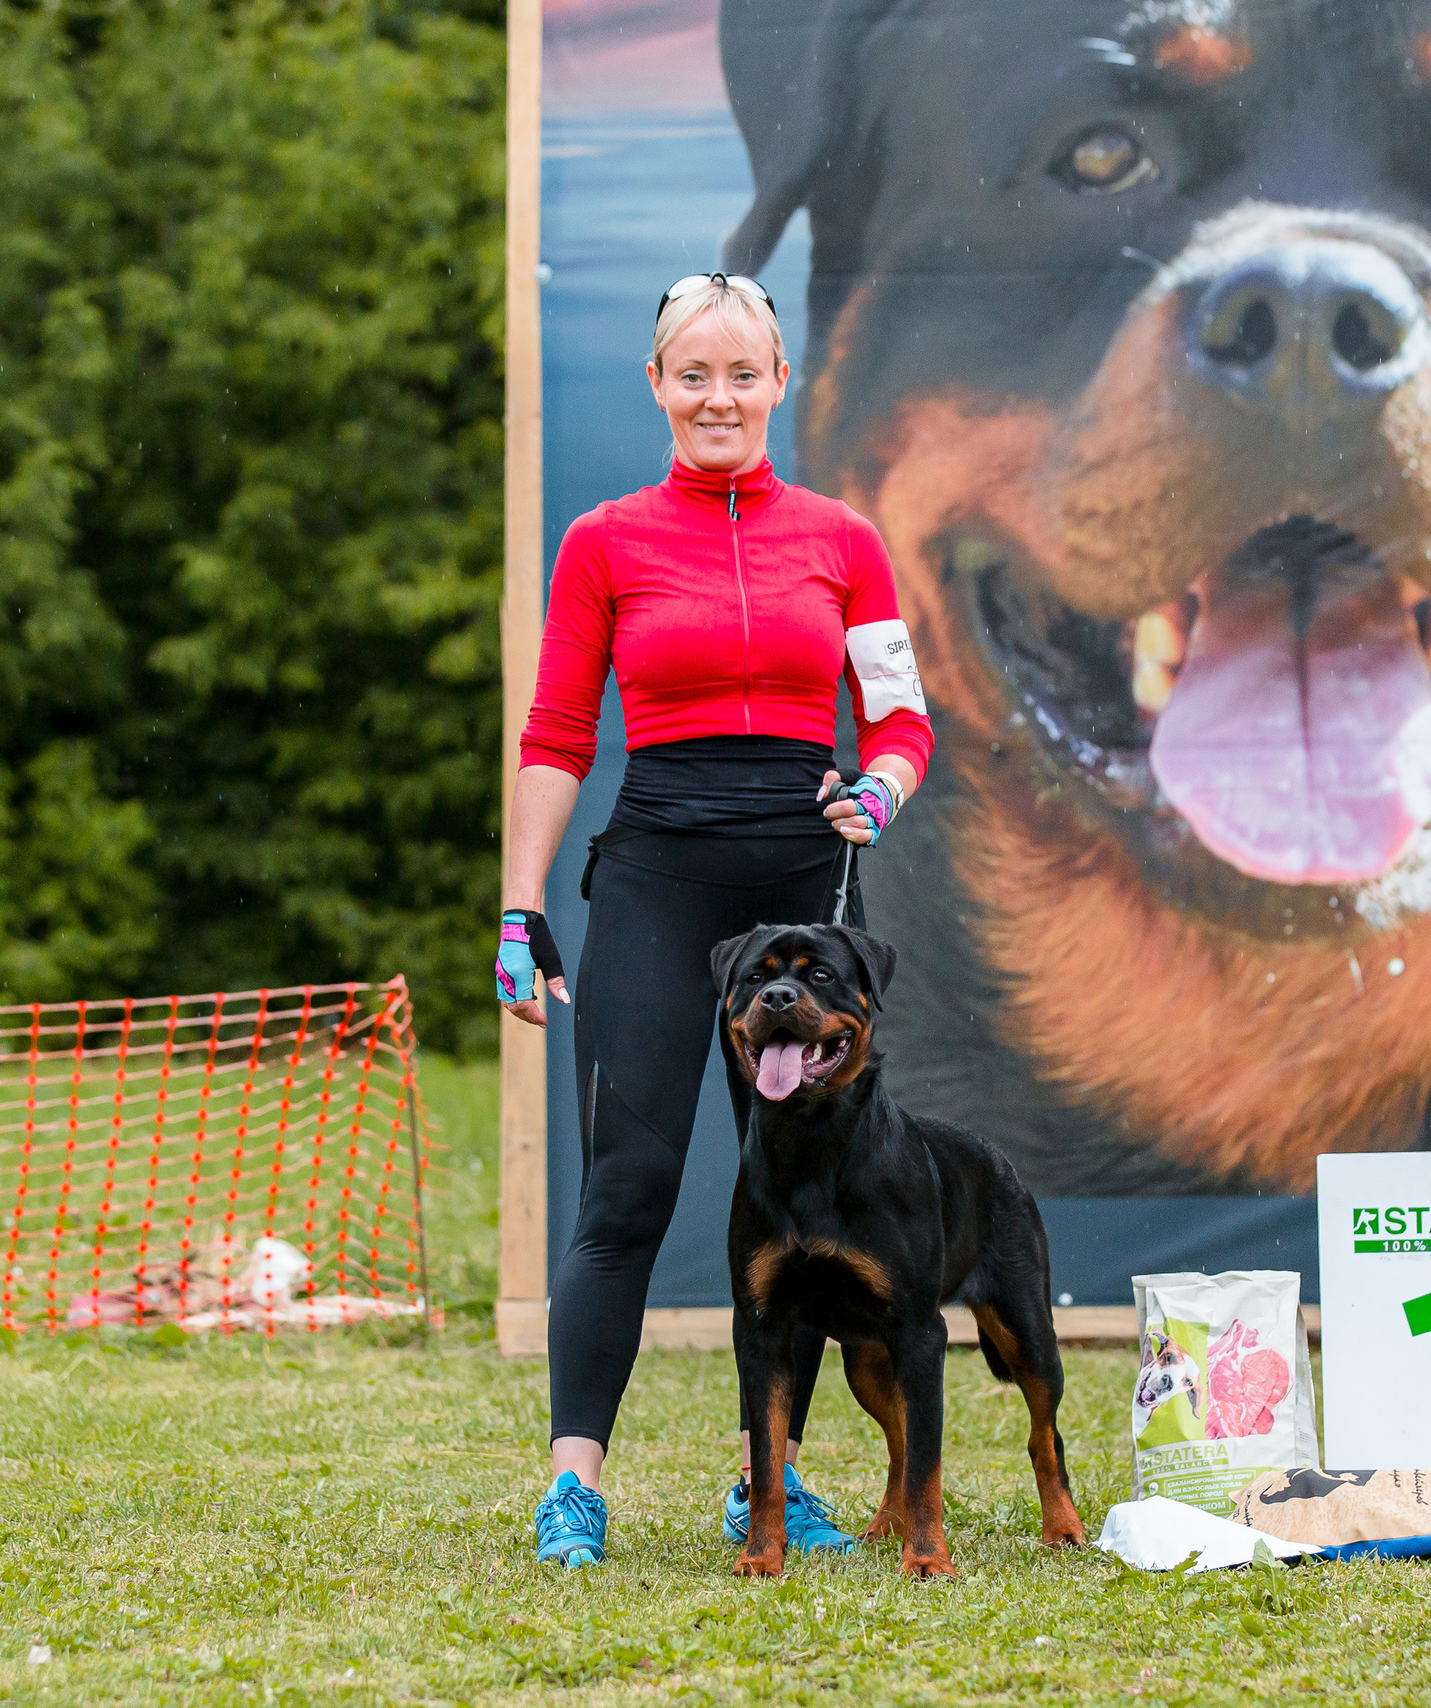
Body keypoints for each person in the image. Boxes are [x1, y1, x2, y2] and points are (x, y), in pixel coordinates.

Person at [497, 273, 934, 1567]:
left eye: (743, 374)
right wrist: (519, 908)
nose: (719, 397)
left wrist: (880, 787)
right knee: (624, 1190)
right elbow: (557, 735)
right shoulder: (603, 542)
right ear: (657, 387)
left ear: (780, 384)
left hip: (799, 892)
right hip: (653, 883)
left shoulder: (845, 540)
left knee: (793, 1201)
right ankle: (573, 1488)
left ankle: (771, 1481)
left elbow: (902, 721)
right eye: (694, 374)